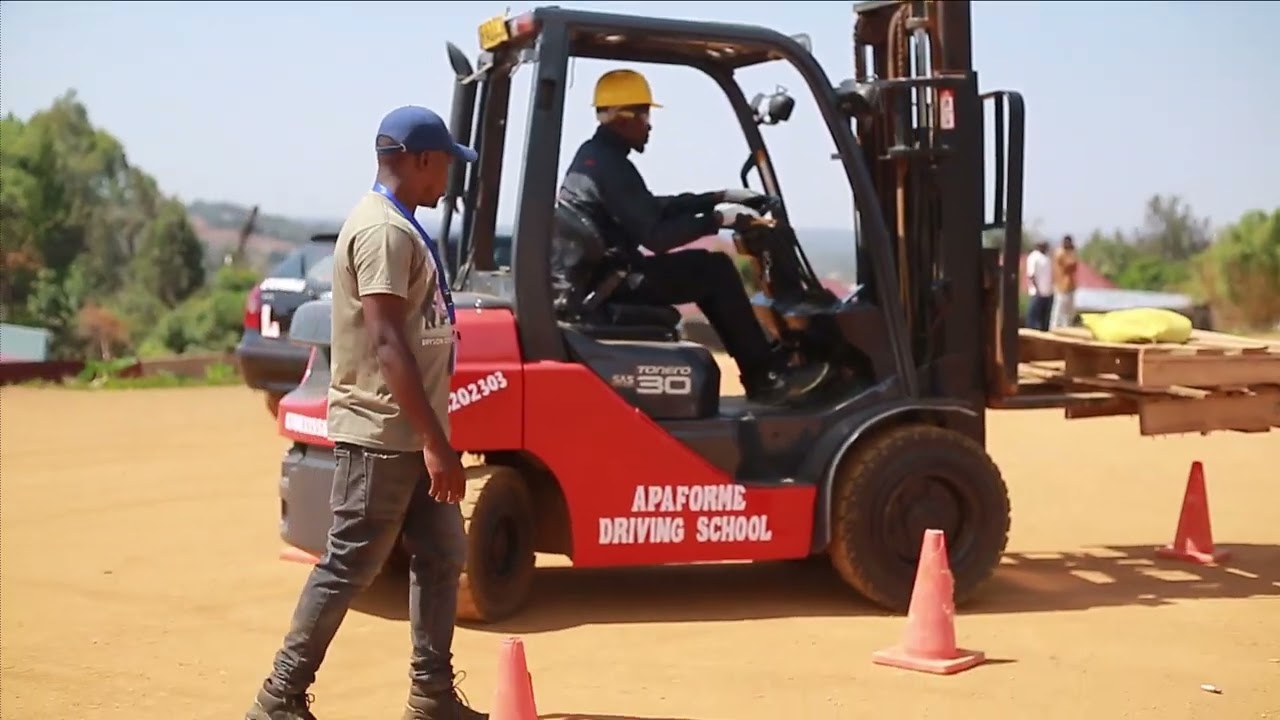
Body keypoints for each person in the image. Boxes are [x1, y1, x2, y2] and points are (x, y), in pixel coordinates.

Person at [244, 106, 486, 720]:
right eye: (446, 166)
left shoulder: (400, 225)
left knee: (441, 556)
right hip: (385, 433)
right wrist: (435, 443)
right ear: (421, 160)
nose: (448, 179)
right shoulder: (382, 231)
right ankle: (279, 698)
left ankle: (430, 696)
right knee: (350, 561)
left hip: (412, 430)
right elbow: (385, 342)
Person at [554, 69, 829, 404]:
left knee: (708, 267)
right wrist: (718, 220)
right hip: (612, 285)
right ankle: (765, 377)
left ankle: (765, 365)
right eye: (645, 114)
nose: (649, 125)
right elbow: (656, 236)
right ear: (623, 118)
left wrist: (718, 196)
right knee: (713, 270)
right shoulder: (610, 165)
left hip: (605, 278)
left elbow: (649, 207)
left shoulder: (598, 157)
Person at [1050, 234, 1079, 329]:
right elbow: (1069, 264)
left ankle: (1066, 327)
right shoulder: (1060, 253)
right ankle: (1055, 327)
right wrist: (1072, 253)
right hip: (1061, 285)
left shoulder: (1069, 253)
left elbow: (1075, 267)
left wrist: (1072, 253)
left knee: (1068, 310)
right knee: (1059, 309)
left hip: (1070, 285)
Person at [1025, 240, 1054, 331]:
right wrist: (1037, 289)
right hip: (1037, 292)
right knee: (1034, 316)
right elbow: (1031, 275)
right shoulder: (1034, 257)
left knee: (1044, 317)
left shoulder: (1047, 257)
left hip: (1047, 291)